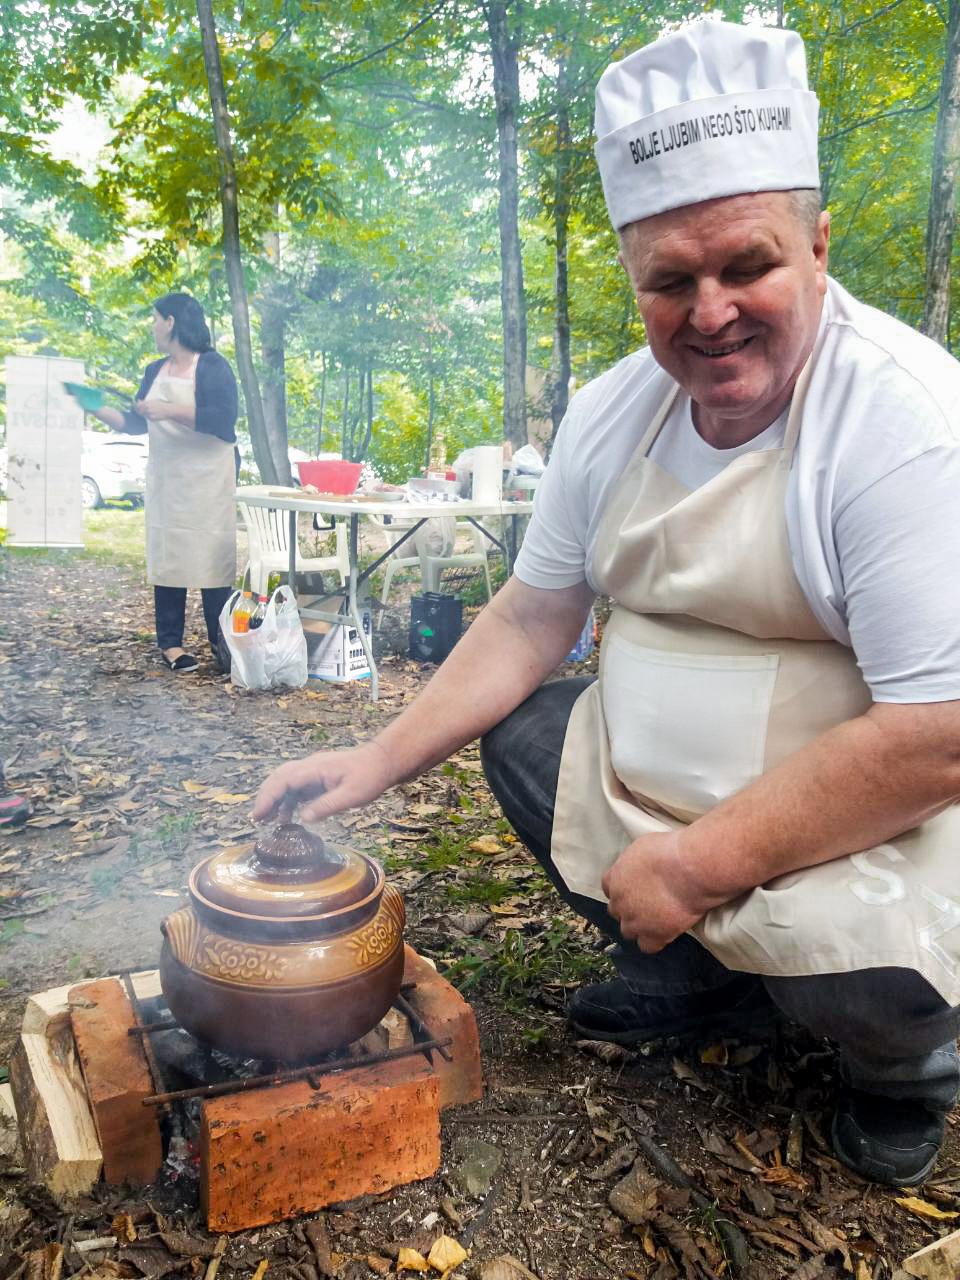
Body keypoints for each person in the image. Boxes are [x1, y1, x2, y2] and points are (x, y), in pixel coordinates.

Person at [254, 18, 960, 1186]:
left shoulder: (903, 427)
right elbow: (534, 617)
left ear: (820, 244)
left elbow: (937, 734)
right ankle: (695, 980)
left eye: (749, 265)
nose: (711, 310)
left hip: (868, 806)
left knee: (883, 962)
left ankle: (903, 1071)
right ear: (635, 278)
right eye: (670, 280)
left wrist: (699, 861)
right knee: (525, 733)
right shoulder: (613, 410)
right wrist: (374, 759)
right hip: (657, 782)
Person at [71, 293, 238, 672]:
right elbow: (134, 423)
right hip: (169, 478)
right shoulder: (153, 371)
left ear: (172, 322)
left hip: (209, 479)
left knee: (213, 558)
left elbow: (222, 419)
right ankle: (171, 645)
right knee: (170, 557)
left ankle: (222, 643)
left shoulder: (213, 366)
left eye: (155, 319)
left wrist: (167, 409)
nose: (152, 327)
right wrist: (92, 404)